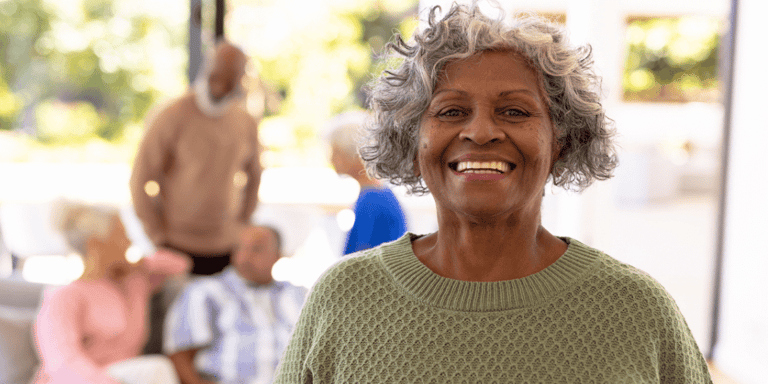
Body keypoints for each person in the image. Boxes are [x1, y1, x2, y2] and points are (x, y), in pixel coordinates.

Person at [274, 3, 713, 383]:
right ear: (412, 142)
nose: (481, 131)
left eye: (514, 111)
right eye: (451, 110)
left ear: (561, 141)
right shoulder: (344, 298)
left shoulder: (635, 312)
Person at [129, 40, 262, 276]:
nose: (222, 81)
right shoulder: (171, 116)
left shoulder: (245, 122)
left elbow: (255, 176)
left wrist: (242, 223)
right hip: (175, 245)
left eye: (231, 74)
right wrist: (157, 236)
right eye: (218, 71)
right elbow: (140, 180)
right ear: (207, 67)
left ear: (241, 77)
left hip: (226, 247)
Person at [33, 200, 191, 384]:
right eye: (122, 235)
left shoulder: (135, 282)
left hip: (129, 377)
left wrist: (138, 265)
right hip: (82, 381)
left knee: (154, 370)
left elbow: (180, 264)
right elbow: (63, 364)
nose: (130, 242)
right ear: (96, 244)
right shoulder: (65, 297)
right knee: (157, 369)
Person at [164, 225, 306, 384]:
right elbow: (180, 355)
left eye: (256, 249)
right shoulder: (205, 292)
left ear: (277, 255)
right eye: (239, 248)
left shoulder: (299, 295)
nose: (245, 256)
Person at [326, 111, 408, 255]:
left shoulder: (371, 199)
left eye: (336, 152)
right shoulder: (378, 193)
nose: (331, 160)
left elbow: (357, 262)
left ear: (354, 154)